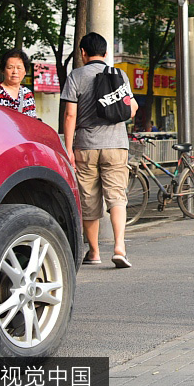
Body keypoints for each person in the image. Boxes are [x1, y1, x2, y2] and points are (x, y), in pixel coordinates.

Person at [62, 33, 138, 268]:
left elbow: (70, 114)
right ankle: (119, 247)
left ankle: (94, 252)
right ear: (106, 53)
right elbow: (132, 109)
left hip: (86, 145)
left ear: (82, 53)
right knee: (116, 196)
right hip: (116, 144)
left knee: (89, 199)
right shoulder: (119, 74)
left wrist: (68, 148)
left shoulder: (76, 76)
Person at [0, 49, 37, 118]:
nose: (15, 71)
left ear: (25, 71)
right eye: (10, 67)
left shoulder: (27, 94)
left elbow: (32, 122)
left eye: (19, 68)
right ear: (3, 70)